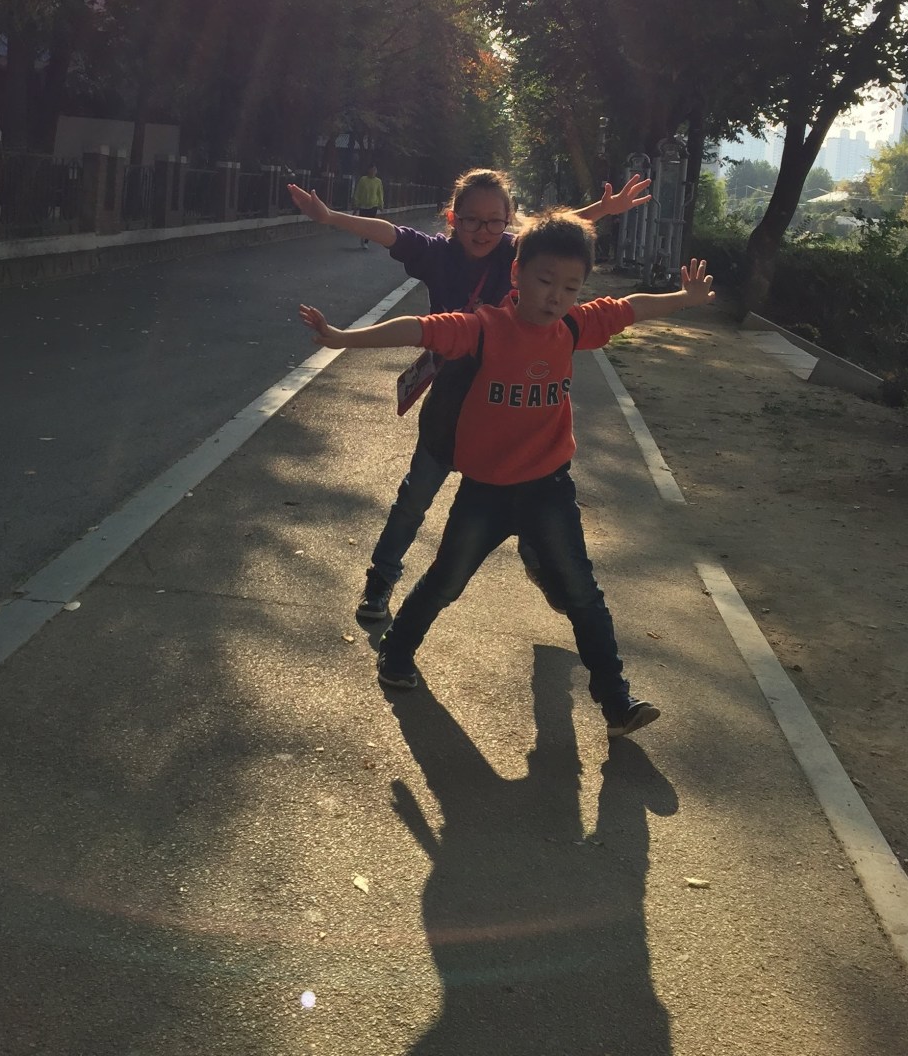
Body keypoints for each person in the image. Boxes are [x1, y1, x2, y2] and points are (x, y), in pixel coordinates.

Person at [299, 211, 715, 737]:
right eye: (545, 281)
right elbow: (419, 329)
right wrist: (343, 337)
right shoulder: (483, 328)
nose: (556, 297)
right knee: (446, 580)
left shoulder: (573, 326)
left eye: (571, 287)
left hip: (548, 487)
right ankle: (397, 650)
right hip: (486, 492)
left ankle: (616, 701)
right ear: (517, 273)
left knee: (583, 593)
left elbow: (630, 307)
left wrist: (685, 299)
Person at [288, 168, 651, 621]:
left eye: (495, 221)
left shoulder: (514, 254)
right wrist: (330, 216)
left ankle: (541, 563)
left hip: (512, 402)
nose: (483, 231)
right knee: (416, 495)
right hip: (454, 397)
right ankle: (380, 579)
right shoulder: (435, 255)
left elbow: (555, 234)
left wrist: (604, 210)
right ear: (452, 218)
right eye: (471, 220)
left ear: (509, 220)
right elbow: (387, 232)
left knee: (528, 494)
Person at [351, 164, 385, 247]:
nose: (373, 172)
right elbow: (358, 191)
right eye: (372, 170)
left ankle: (366, 241)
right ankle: (363, 236)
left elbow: (380, 194)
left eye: (375, 170)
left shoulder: (378, 181)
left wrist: (381, 204)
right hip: (363, 205)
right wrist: (356, 202)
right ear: (368, 170)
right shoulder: (363, 180)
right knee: (363, 223)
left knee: (371, 224)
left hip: (373, 205)